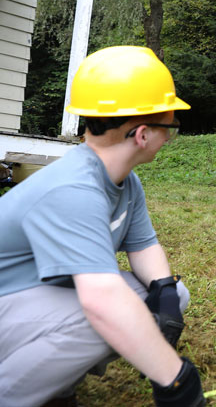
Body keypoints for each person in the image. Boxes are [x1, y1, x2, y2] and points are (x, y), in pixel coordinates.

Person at [0, 46, 205, 406]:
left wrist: (166, 294)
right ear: (142, 134)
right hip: (9, 302)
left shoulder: (124, 181)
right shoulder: (73, 189)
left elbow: (143, 246)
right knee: (107, 314)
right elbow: (102, 302)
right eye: (169, 129)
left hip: (30, 301)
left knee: (171, 295)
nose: (168, 137)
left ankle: (53, 387)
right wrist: (174, 379)